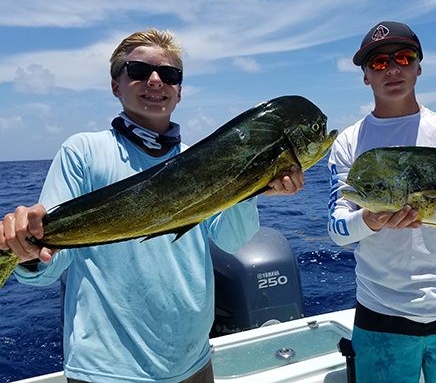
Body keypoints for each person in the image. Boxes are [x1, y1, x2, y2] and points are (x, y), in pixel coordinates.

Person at [0, 29, 304, 383]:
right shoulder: (83, 152)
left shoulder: (200, 158)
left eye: (170, 75)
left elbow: (232, 241)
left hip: (192, 362)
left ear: (180, 91)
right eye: (139, 71)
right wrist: (27, 250)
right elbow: (51, 267)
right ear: (117, 85)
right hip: (107, 371)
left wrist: (251, 185)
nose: (156, 80)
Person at [327, 20, 436, 383]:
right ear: (365, 76)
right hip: (381, 314)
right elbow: (337, 229)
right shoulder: (348, 143)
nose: (392, 68)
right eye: (378, 63)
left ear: (418, 67)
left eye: (403, 58)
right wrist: (371, 221)